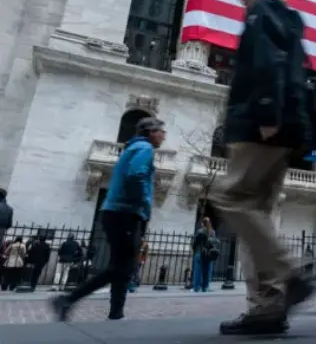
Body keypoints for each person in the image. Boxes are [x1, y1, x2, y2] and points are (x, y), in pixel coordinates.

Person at [207, 0, 316, 335]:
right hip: (286, 129)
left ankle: (293, 270)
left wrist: (268, 111)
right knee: (256, 211)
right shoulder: (289, 19)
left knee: (229, 196)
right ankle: (266, 308)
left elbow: (268, 63)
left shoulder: (262, 12)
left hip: (262, 124)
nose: (241, 3)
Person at [50, 117, 165, 321]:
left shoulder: (133, 148)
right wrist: (143, 203)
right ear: (149, 132)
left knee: (121, 266)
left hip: (116, 212)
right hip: (126, 213)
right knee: (123, 267)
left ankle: (116, 313)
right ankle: (68, 299)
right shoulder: (144, 149)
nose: (163, 136)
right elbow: (136, 175)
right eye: (160, 131)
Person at [192, 217, 218, 293]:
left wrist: (194, 249)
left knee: (198, 271)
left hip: (199, 253)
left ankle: (197, 287)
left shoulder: (200, 231)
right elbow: (213, 243)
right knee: (207, 270)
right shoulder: (213, 232)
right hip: (208, 254)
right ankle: (205, 287)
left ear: (202, 224)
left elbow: (195, 242)